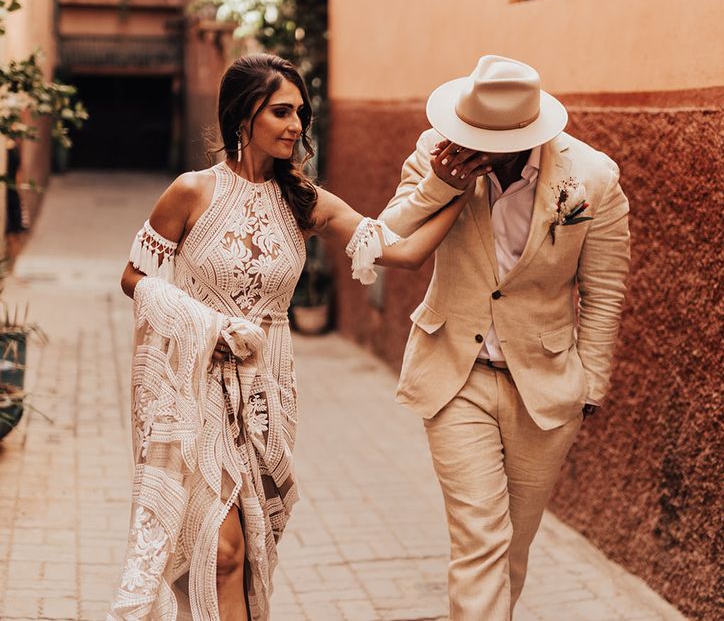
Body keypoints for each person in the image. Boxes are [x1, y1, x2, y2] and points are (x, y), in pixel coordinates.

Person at [108, 53, 475, 620]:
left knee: (254, 545)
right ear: (243, 115)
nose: (296, 125)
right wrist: (203, 323)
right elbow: (134, 277)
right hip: (194, 382)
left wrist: (456, 190)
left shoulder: (306, 202)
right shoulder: (191, 192)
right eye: (281, 111)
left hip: (267, 388)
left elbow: (399, 251)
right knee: (221, 547)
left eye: (301, 112)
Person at [379, 55, 631, 619]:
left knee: (511, 551)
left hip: (545, 389)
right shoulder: (435, 155)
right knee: (479, 543)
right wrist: (439, 187)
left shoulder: (591, 178)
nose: (463, 142)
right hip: (455, 378)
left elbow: (604, 289)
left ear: (524, 135)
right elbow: (382, 239)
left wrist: (589, 385)